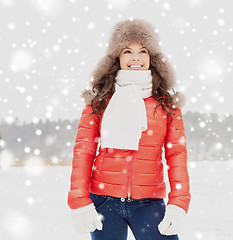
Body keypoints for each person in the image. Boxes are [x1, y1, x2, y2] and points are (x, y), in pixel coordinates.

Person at [68, 18, 191, 240]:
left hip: (149, 203)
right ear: (117, 57)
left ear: (152, 58)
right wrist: (79, 201)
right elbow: (84, 151)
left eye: (143, 51)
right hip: (104, 202)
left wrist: (178, 203)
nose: (136, 58)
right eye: (127, 51)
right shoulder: (100, 102)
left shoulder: (166, 105)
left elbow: (177, 156)